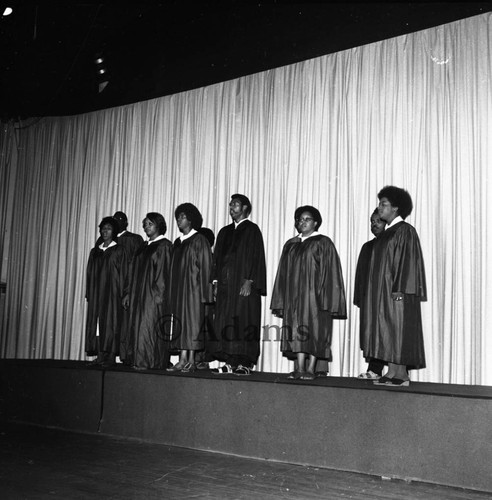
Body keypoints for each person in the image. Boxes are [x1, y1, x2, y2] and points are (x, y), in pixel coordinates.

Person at [271, 206, 346, 380]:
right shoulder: (290, 244)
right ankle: (299, 367)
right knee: (297, 330)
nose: (302, 222)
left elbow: (331, 272)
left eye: (307, 219)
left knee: (315, 330)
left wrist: (326, 297)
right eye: (300, 219)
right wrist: (281, 298)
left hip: (315, 297)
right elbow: (282, 273)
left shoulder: (323, 242)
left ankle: (311, 368)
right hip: (293, 298)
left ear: (316, 222)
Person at [362, 186, 427, 386]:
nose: (379, 207)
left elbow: (407, 263)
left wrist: (399, 291)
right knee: (386, 330)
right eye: (379, 203)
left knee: (398, 329)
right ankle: (391, 372)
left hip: (397, 292)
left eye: (384, 204)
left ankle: (402, 375)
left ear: (396, 208)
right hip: (383, 293)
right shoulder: (386, 234)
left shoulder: (405, 231)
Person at [211, 194, 267, 376]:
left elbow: (257, 257)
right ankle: (230, 362)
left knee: (244, 321)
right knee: (227, 321)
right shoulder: (224, 232)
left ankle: (245, 363)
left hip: (243, 286)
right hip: (227, 288)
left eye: (235, 204)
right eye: (230, 205)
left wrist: (250, 280)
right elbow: (217, 259)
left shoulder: (252, 230)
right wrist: (216, 282)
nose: (231, 207)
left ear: (244, 208)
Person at [166, 204, 213, 373]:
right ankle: (182, 359)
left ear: (191, 219)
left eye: (183, 217)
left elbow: (206, 266)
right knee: (180, 322)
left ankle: (191, 360)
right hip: (179, 290)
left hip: (194, 289)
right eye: (178, 217)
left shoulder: (199, 239)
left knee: (192, 323)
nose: (179, 220)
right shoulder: (178, 242)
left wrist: (205, 293)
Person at [123, 212, 172, 370]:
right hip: (138, 294)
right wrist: (129, 292)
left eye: (150, 224)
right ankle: (137, 359)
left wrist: (159, 295)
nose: (146, 227)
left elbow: (163, 273)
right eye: (145, 224)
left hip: (152, 296)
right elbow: (133, 271)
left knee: (148, 327)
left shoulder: (164, 245)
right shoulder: (143, 247)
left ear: (159, 225)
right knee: (137, 325)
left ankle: (149, 361)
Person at [85, 216, 128, 367]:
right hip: (97, 293)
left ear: (114, 231)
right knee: (97, 324)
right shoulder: (95, 251)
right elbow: (90, 273)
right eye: (103, 228)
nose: (105, 231)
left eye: (108, 228)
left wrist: (124, 293)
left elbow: (124, 273)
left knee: (110, 323)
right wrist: (89, 292)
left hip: (112, 293)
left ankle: (109, 357)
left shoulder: (119, 250)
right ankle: (100, 355)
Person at [354, 208, 386, 379]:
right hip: (370, 299)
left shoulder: (392, 243)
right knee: (372, 334)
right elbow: (361, 275)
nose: (374, 225)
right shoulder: (368, 246)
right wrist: (360, 297)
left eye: (378, 221)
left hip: (386, 299)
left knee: (386, 334)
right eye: (371, 222)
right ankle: (374, 369)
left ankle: (395, 372)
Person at [111, 211, 144, 364]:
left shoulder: (134, 239)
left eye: (121, 219)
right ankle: (107, 354)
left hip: (126, 286)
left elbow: (137, 265)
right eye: (115, 220)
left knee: (126, 323)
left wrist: (130, 290)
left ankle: (126, 356)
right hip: (110, 288)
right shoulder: (106, 239)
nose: (118, 222)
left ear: (126, 222)